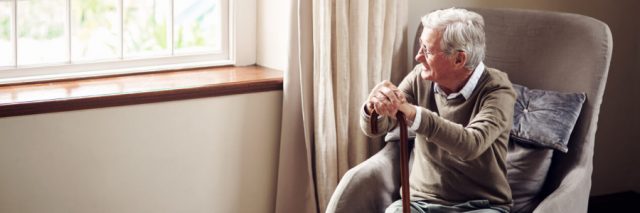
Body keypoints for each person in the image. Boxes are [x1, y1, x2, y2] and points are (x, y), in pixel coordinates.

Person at [360, 8, 516, 213]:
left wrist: (414, 115)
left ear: (459, 59)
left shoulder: (497, 90)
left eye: (427, 50)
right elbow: (377, 128)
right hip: (419, 203)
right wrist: (375, 108)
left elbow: (471, 144)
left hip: (481, 206)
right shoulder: (419, 78)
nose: (417, 57)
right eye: (420, 47)